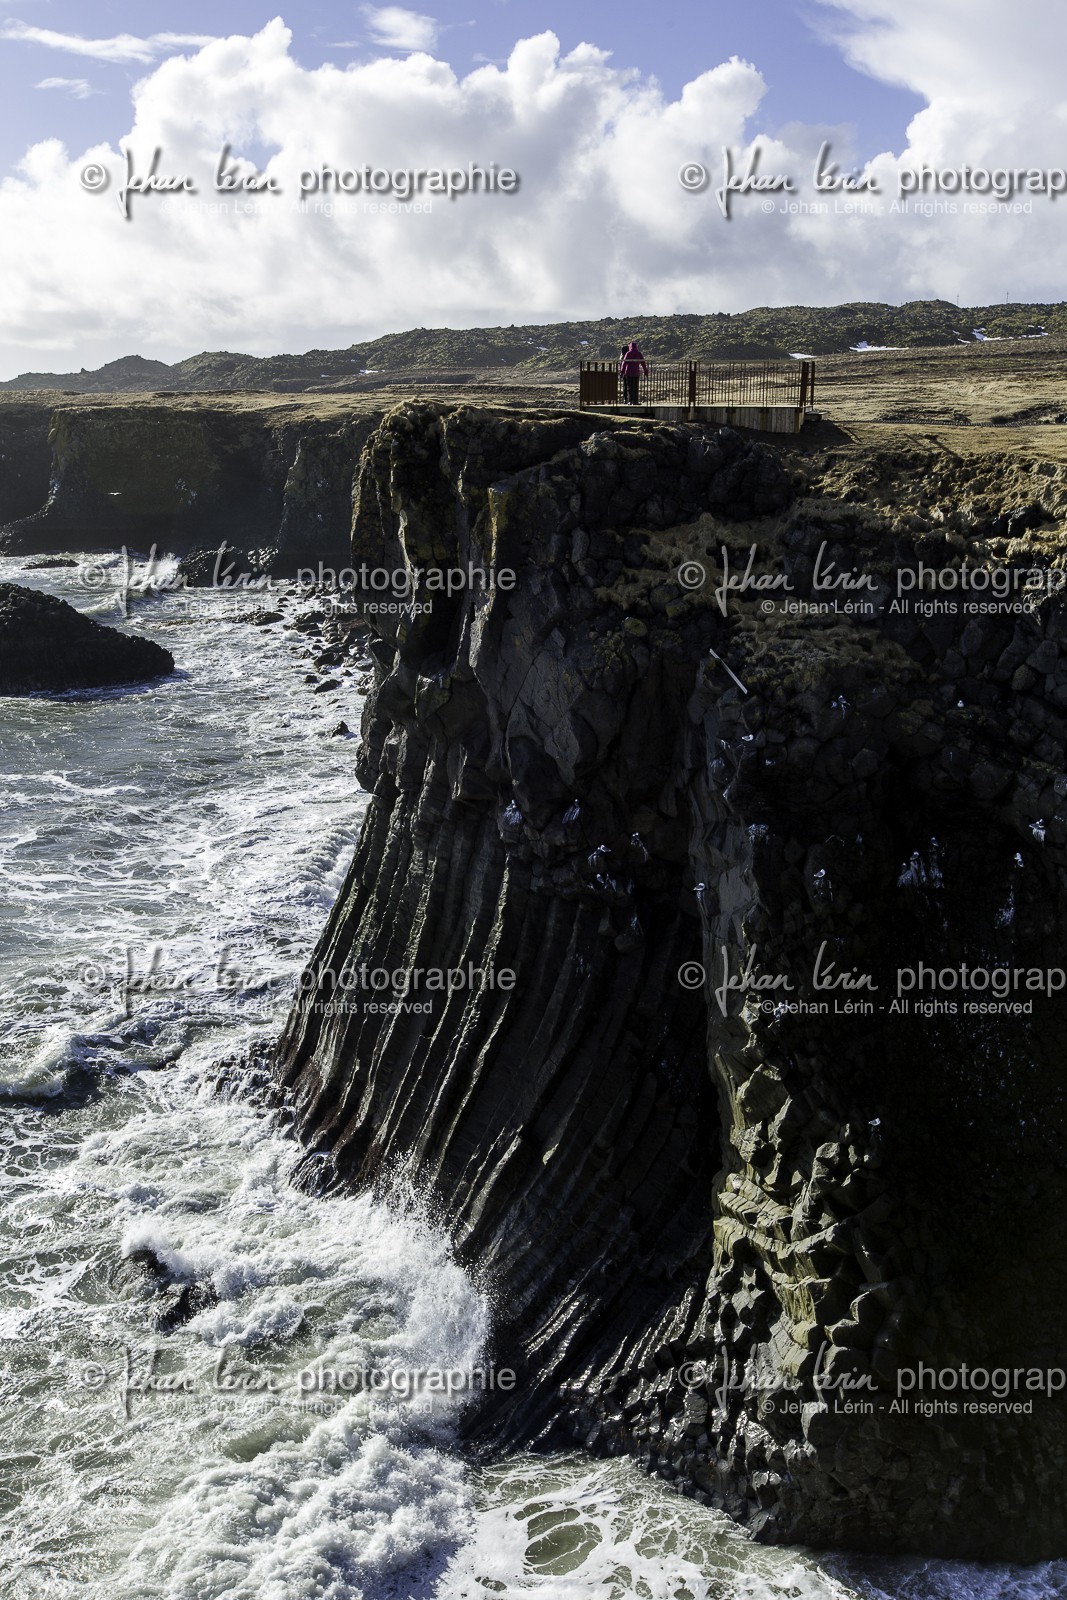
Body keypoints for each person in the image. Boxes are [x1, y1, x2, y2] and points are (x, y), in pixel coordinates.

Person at [619, 340, 648, 405]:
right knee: (635, 387)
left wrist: (622, 372)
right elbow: (643, 363)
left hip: (628, 373)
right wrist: (645, 371)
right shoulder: (639, 353)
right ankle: (635, 401)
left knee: (630, 387)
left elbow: (624, 363)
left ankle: (630, 401)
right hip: (636, 373)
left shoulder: (628, 353)